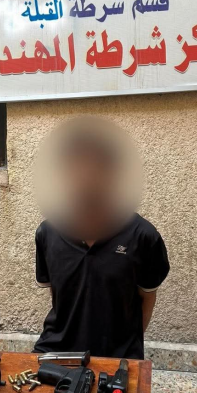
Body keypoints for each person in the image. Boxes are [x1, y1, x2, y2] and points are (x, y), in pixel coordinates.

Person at [32, 117, 170, 359]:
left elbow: (147, 297)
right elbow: (59, 296)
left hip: (118, 358)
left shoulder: (143, 236)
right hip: (56, 353)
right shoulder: (48, 233)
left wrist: (126, 348)